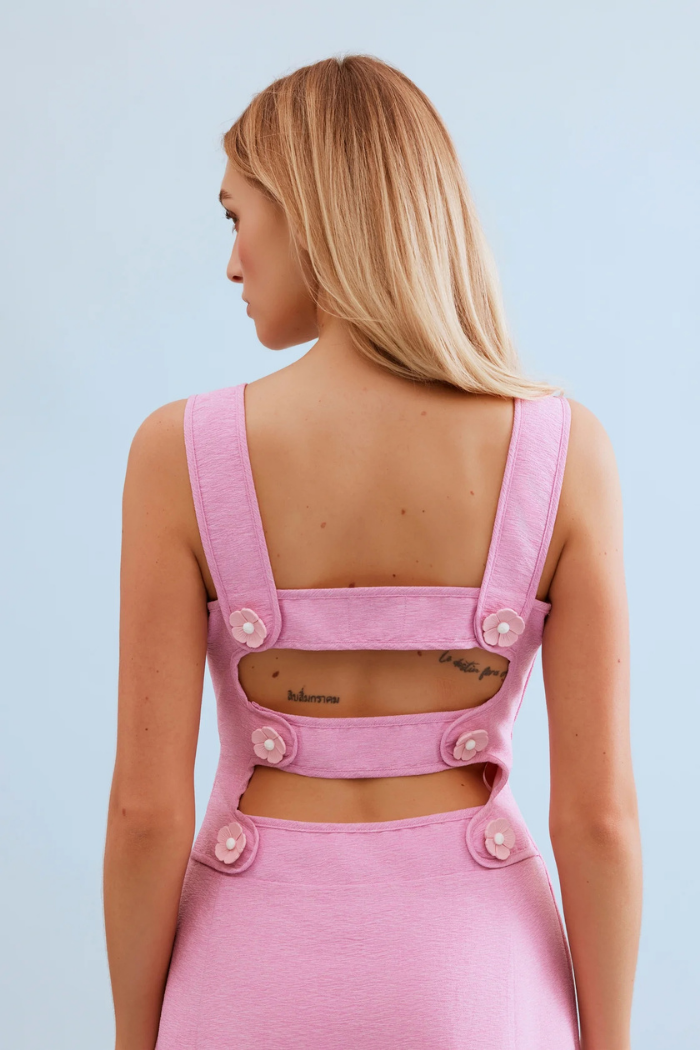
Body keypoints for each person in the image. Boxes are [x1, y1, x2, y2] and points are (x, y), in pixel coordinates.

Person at [103, 54, 642, 1050]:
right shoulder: (565, 454)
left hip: (247, 977)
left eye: (236, 216)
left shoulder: (179, 452)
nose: (232, 263)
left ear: (307, 212)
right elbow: (598, 818)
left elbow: (145, 814)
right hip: (478, 980)